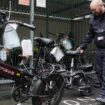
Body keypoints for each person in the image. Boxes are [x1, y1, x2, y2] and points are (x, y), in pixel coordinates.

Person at [77, 0, 105, 103]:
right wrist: (82, 47)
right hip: (99, 49)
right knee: (99, 72)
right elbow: (90, 34)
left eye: (94, 9)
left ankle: (103, 95)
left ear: (101, 5)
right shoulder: (93, 18)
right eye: (91, 10)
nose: (93, 12)